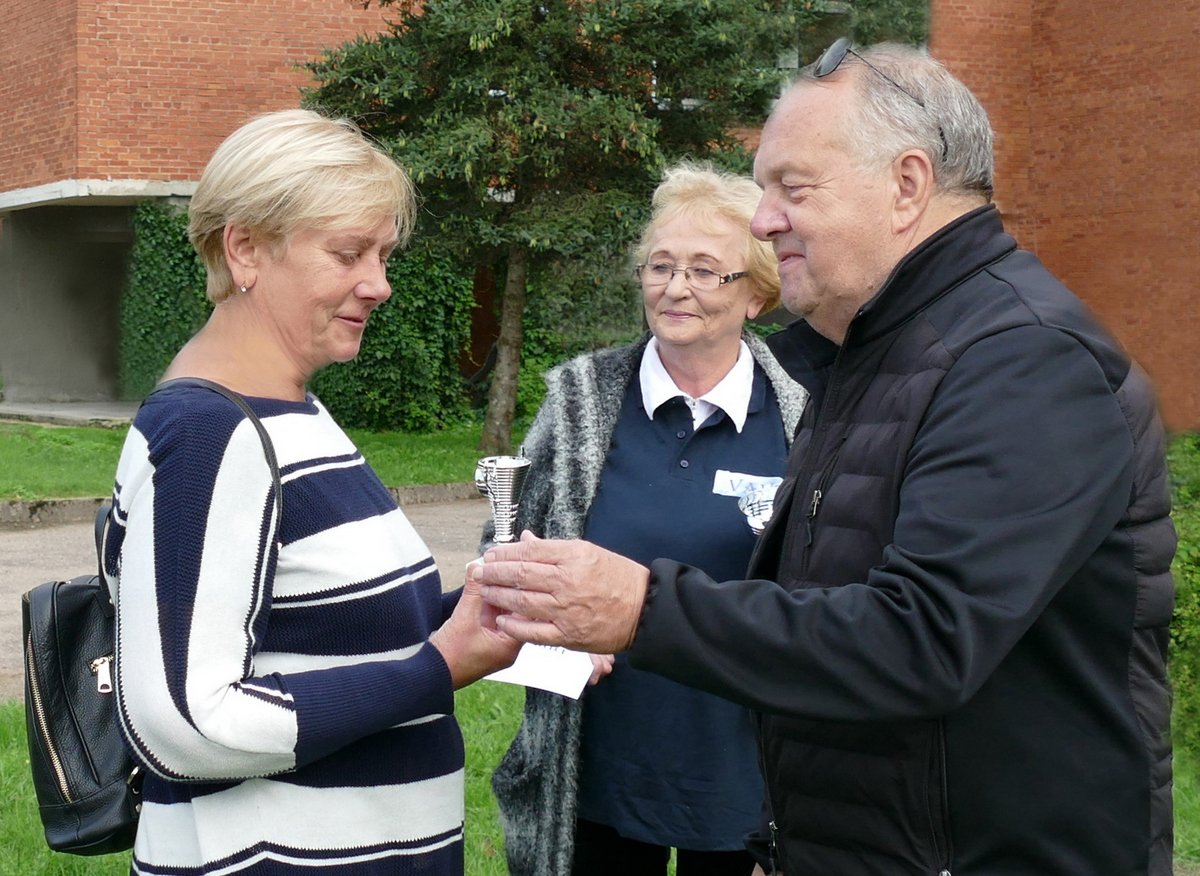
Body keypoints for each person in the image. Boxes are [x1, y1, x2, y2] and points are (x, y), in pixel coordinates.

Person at [472, 39, 1177, 876]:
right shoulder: (866, 359)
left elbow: (922, 640)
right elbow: (820, 616)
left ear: (907, 185)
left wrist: (641, 608)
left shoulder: (1024, 360)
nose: (763, 220)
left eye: (793, 188)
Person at [103, 108, 518, 875]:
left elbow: (328, 631)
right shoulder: (208, 431)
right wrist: (437, 669)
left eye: (384, 255)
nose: (380, 284)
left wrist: (487, 611)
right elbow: (186, 725)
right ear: (245, 248)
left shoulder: (294, 411)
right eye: (348, 253)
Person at [488, 163, 808, 876]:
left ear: (757, 293)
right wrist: (556, 649)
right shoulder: (579, 402)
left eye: (704, 270)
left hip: (743, 779)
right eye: (660, 266)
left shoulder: (805, 414)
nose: (675, 287)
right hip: (598, 773)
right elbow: (504, 556)